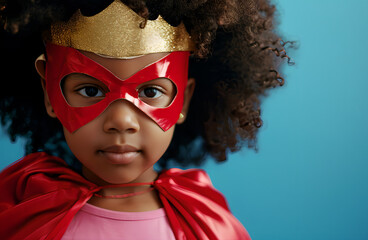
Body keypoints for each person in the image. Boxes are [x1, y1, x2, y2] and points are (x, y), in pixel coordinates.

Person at [0, 0, 294, 239]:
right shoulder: (19, 212)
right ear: (49, 92)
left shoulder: (206, 226)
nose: (121, 121)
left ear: (184, 99)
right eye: (90, 90)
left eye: (151, 90)